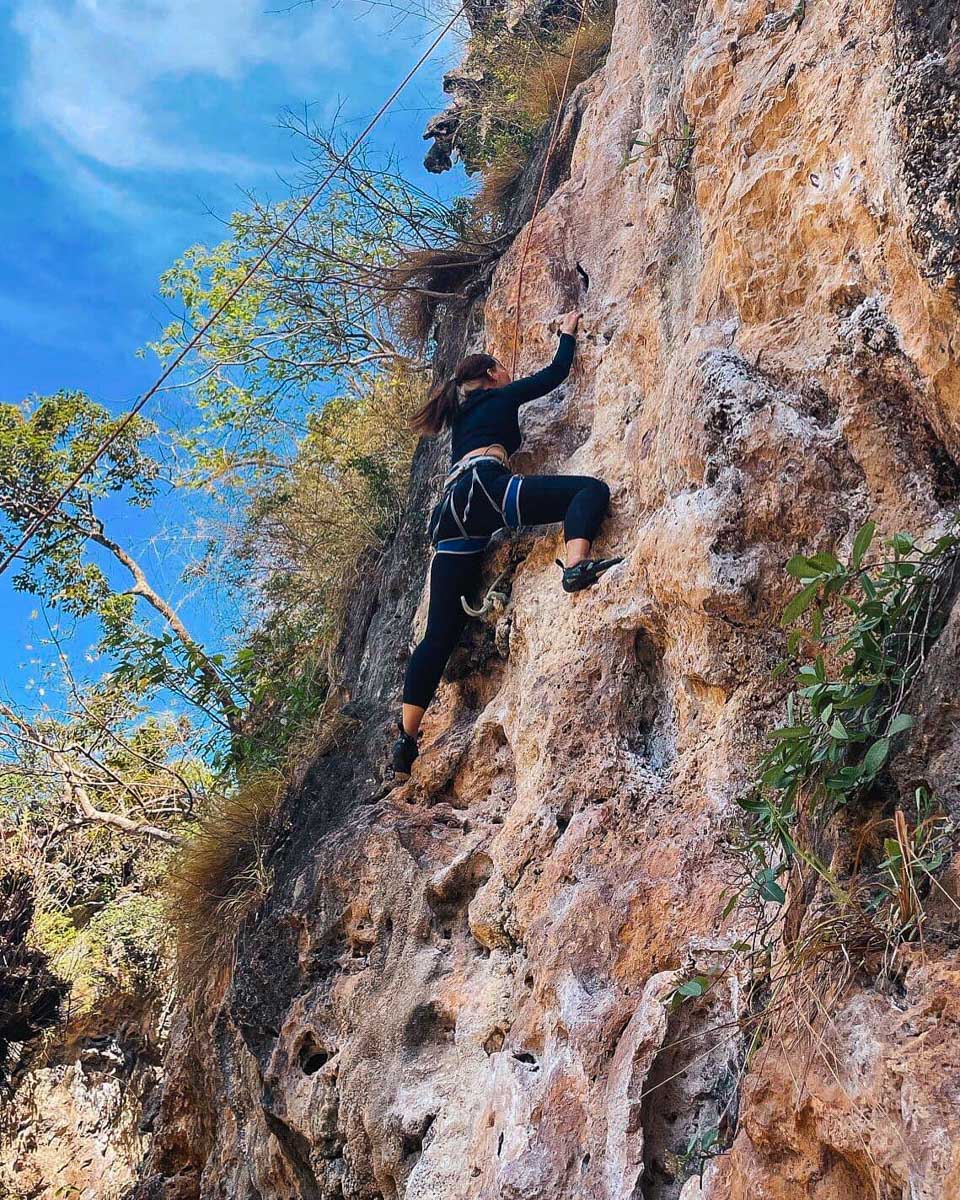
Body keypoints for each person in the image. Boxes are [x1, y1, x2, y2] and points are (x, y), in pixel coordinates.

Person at [391, 311, 620, 778]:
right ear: (492, 374)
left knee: (439, 635)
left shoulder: (461, 416)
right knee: (589, 491)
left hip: (451, 514)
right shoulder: (503, 394)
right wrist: (567, 332)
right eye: (502, 370)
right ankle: (576, 565)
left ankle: (405, 743)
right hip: (487, 491)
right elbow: (556, 374)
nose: (508, 375)